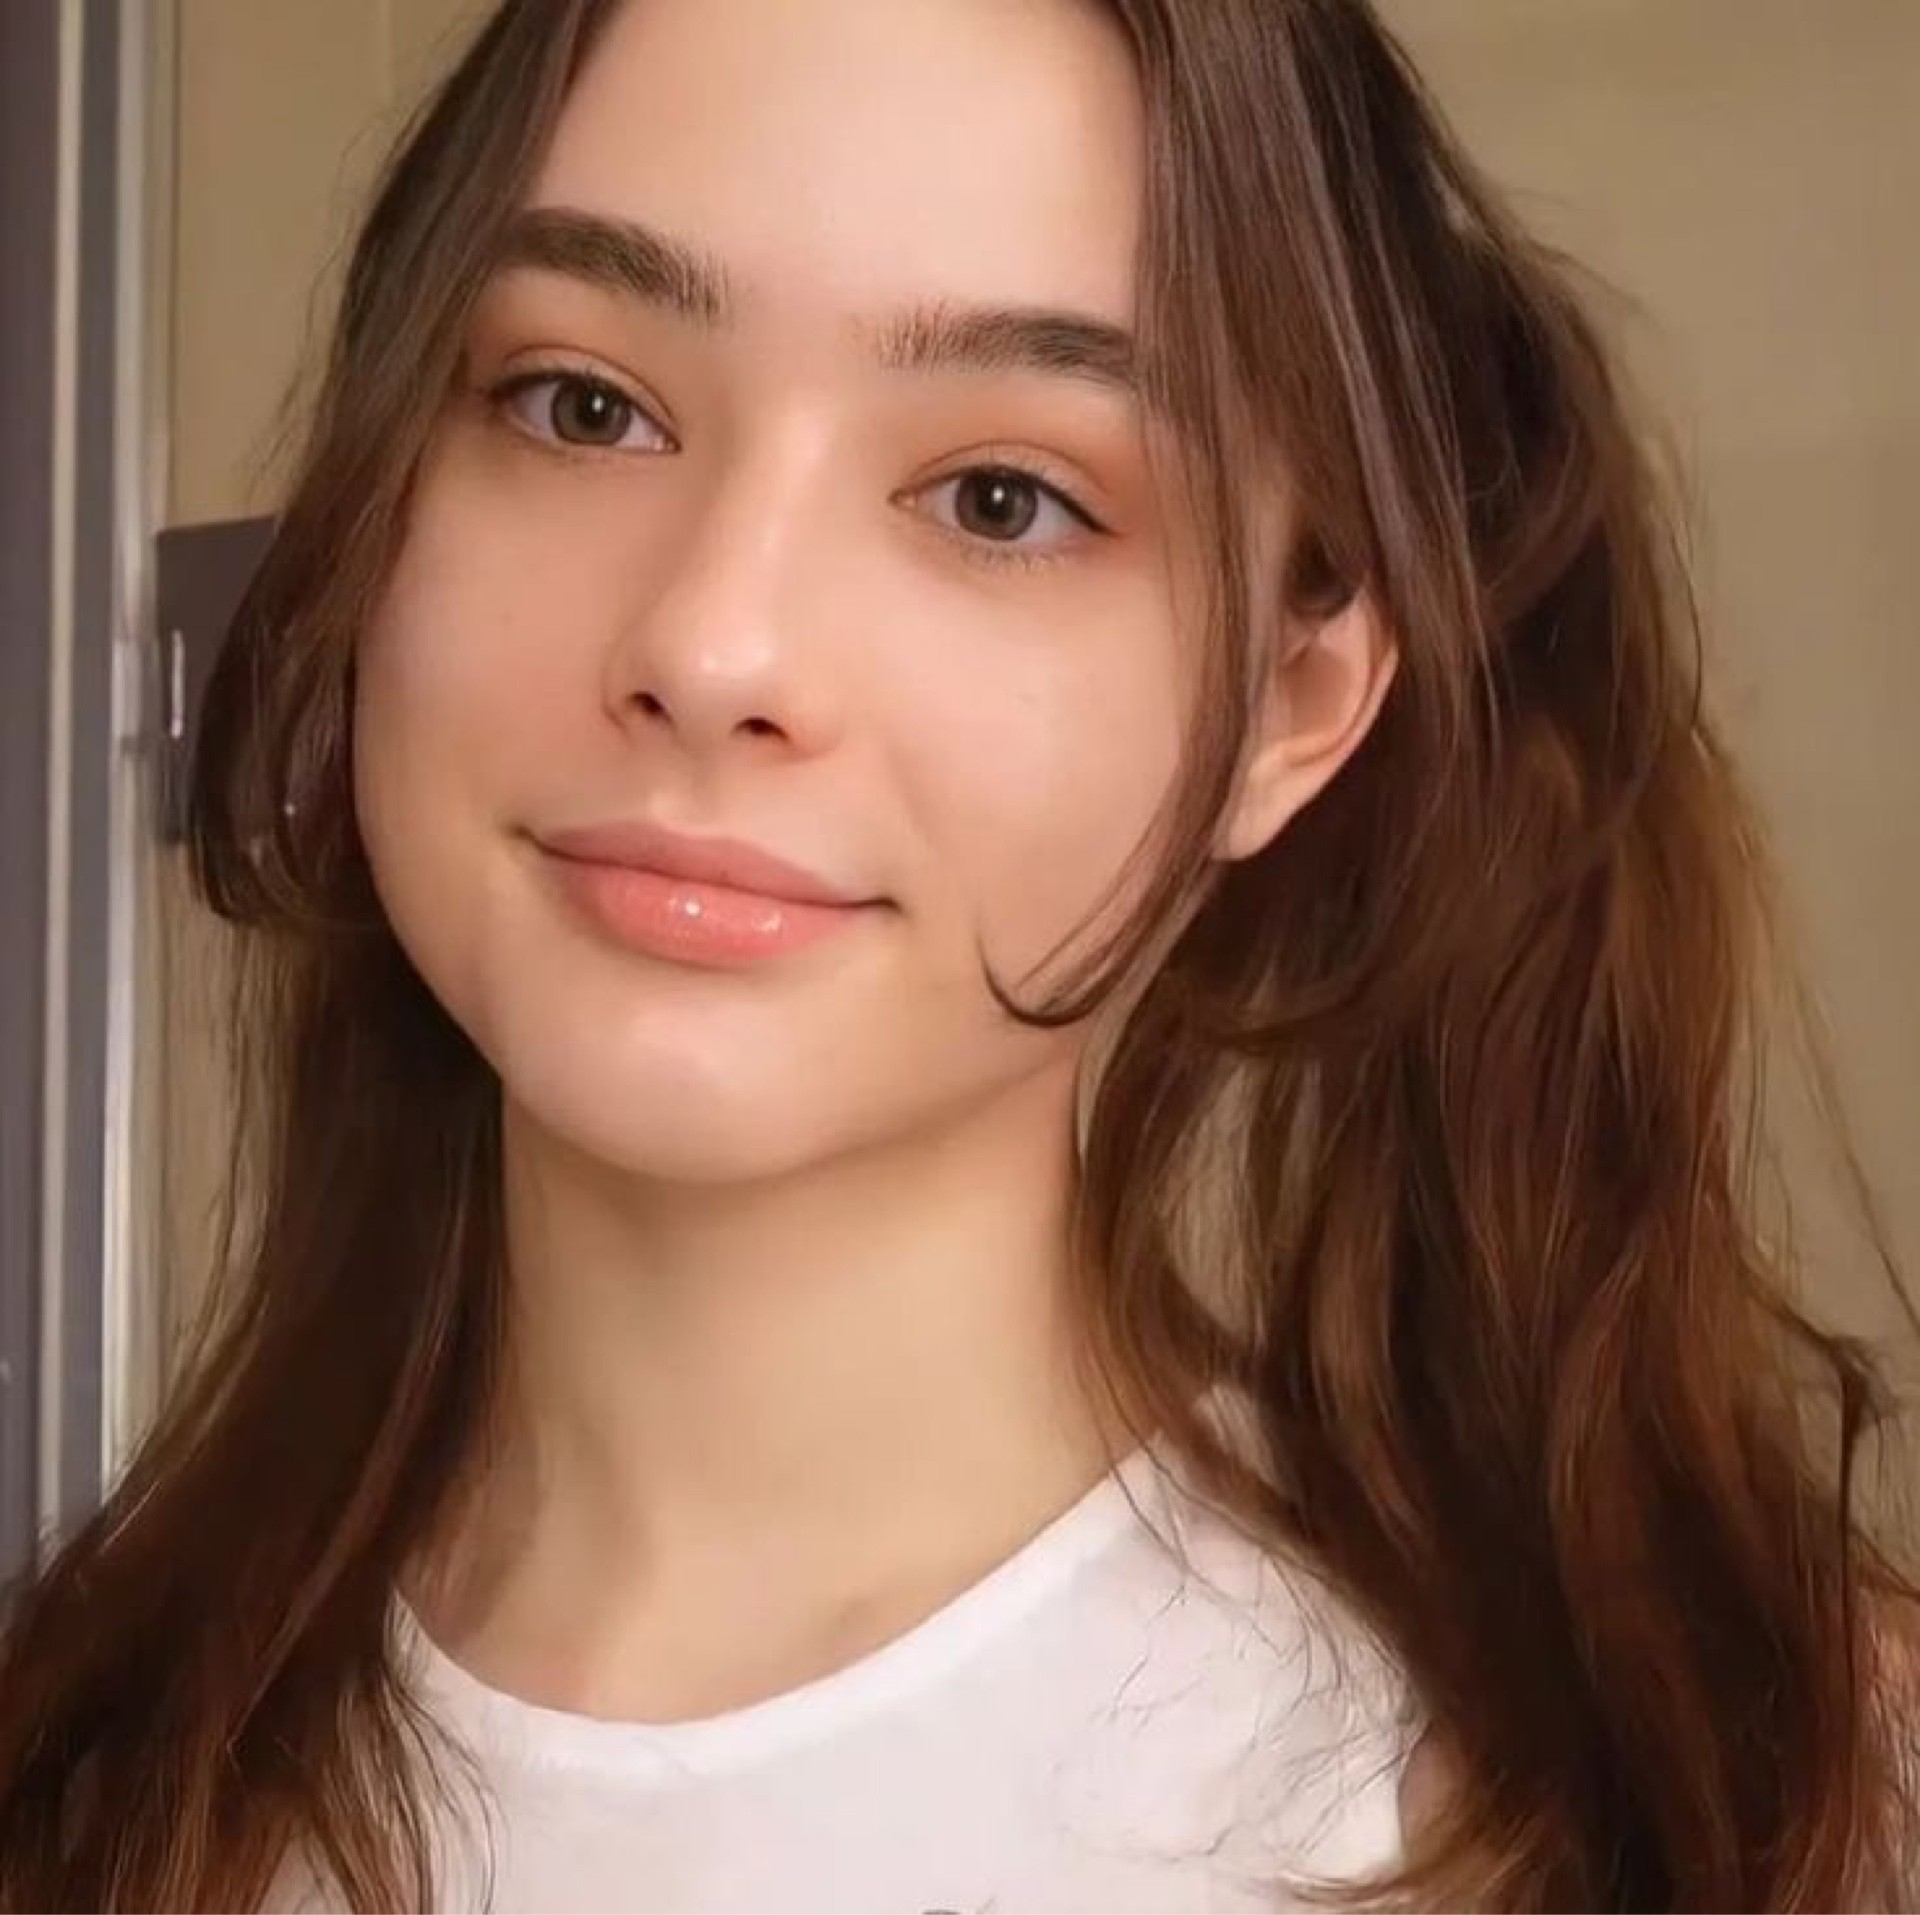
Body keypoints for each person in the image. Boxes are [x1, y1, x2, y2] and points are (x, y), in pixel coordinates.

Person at [1, 0, 1915, 1907]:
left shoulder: (1734, 1807)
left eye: (1004, 500)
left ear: (1293, 698)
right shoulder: (85, 1777)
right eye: (582, 405)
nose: (715, 645)